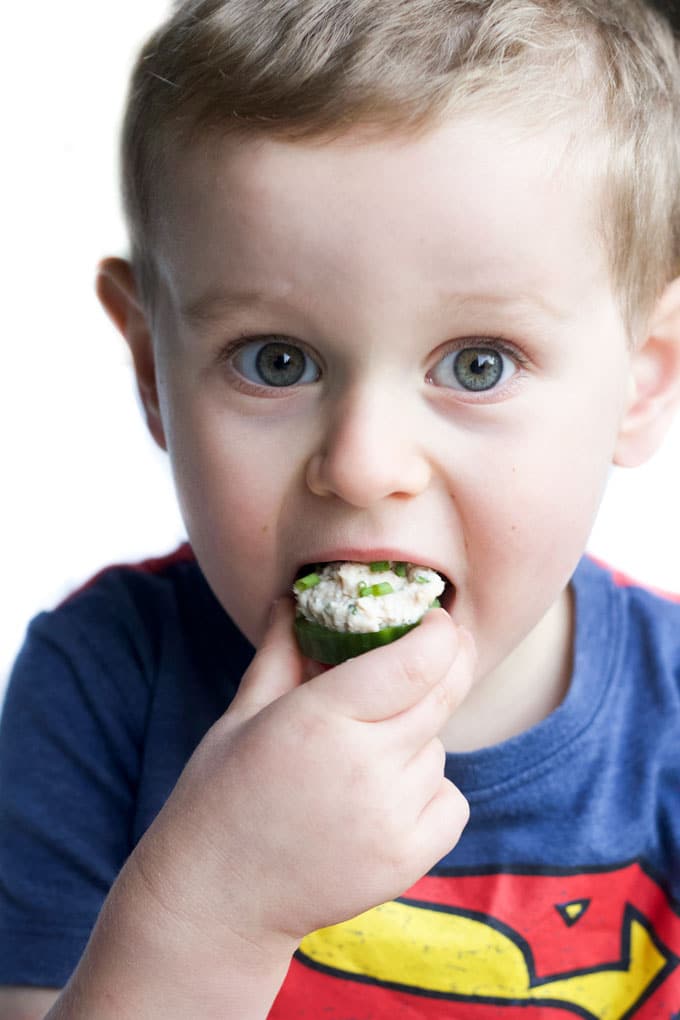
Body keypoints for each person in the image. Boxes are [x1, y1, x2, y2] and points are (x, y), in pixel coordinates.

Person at [2, 0, 680, 1016]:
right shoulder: (104, 685)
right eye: (276, 361)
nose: (362, 467)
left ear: (638, 381)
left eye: (476, 363)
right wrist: (213, 911)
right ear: (151, 368)